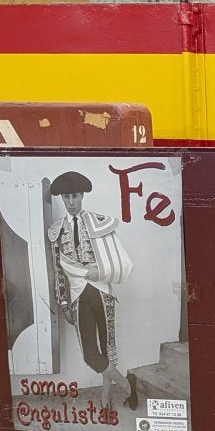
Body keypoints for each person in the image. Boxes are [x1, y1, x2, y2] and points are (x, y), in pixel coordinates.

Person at [48, 170, 137, 410]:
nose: (71, 202)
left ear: (82, 196)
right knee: (90, 355)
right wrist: (64, 304)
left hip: (102, 292)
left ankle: (105, 396)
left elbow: (116, 260)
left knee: (108, 348)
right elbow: (59, 272)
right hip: (78, 297)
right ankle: (127, 385)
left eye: (75, 196)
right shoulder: (56, 231)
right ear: (62, 199)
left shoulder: (99, 222)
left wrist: (100, 270)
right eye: (67, 197)